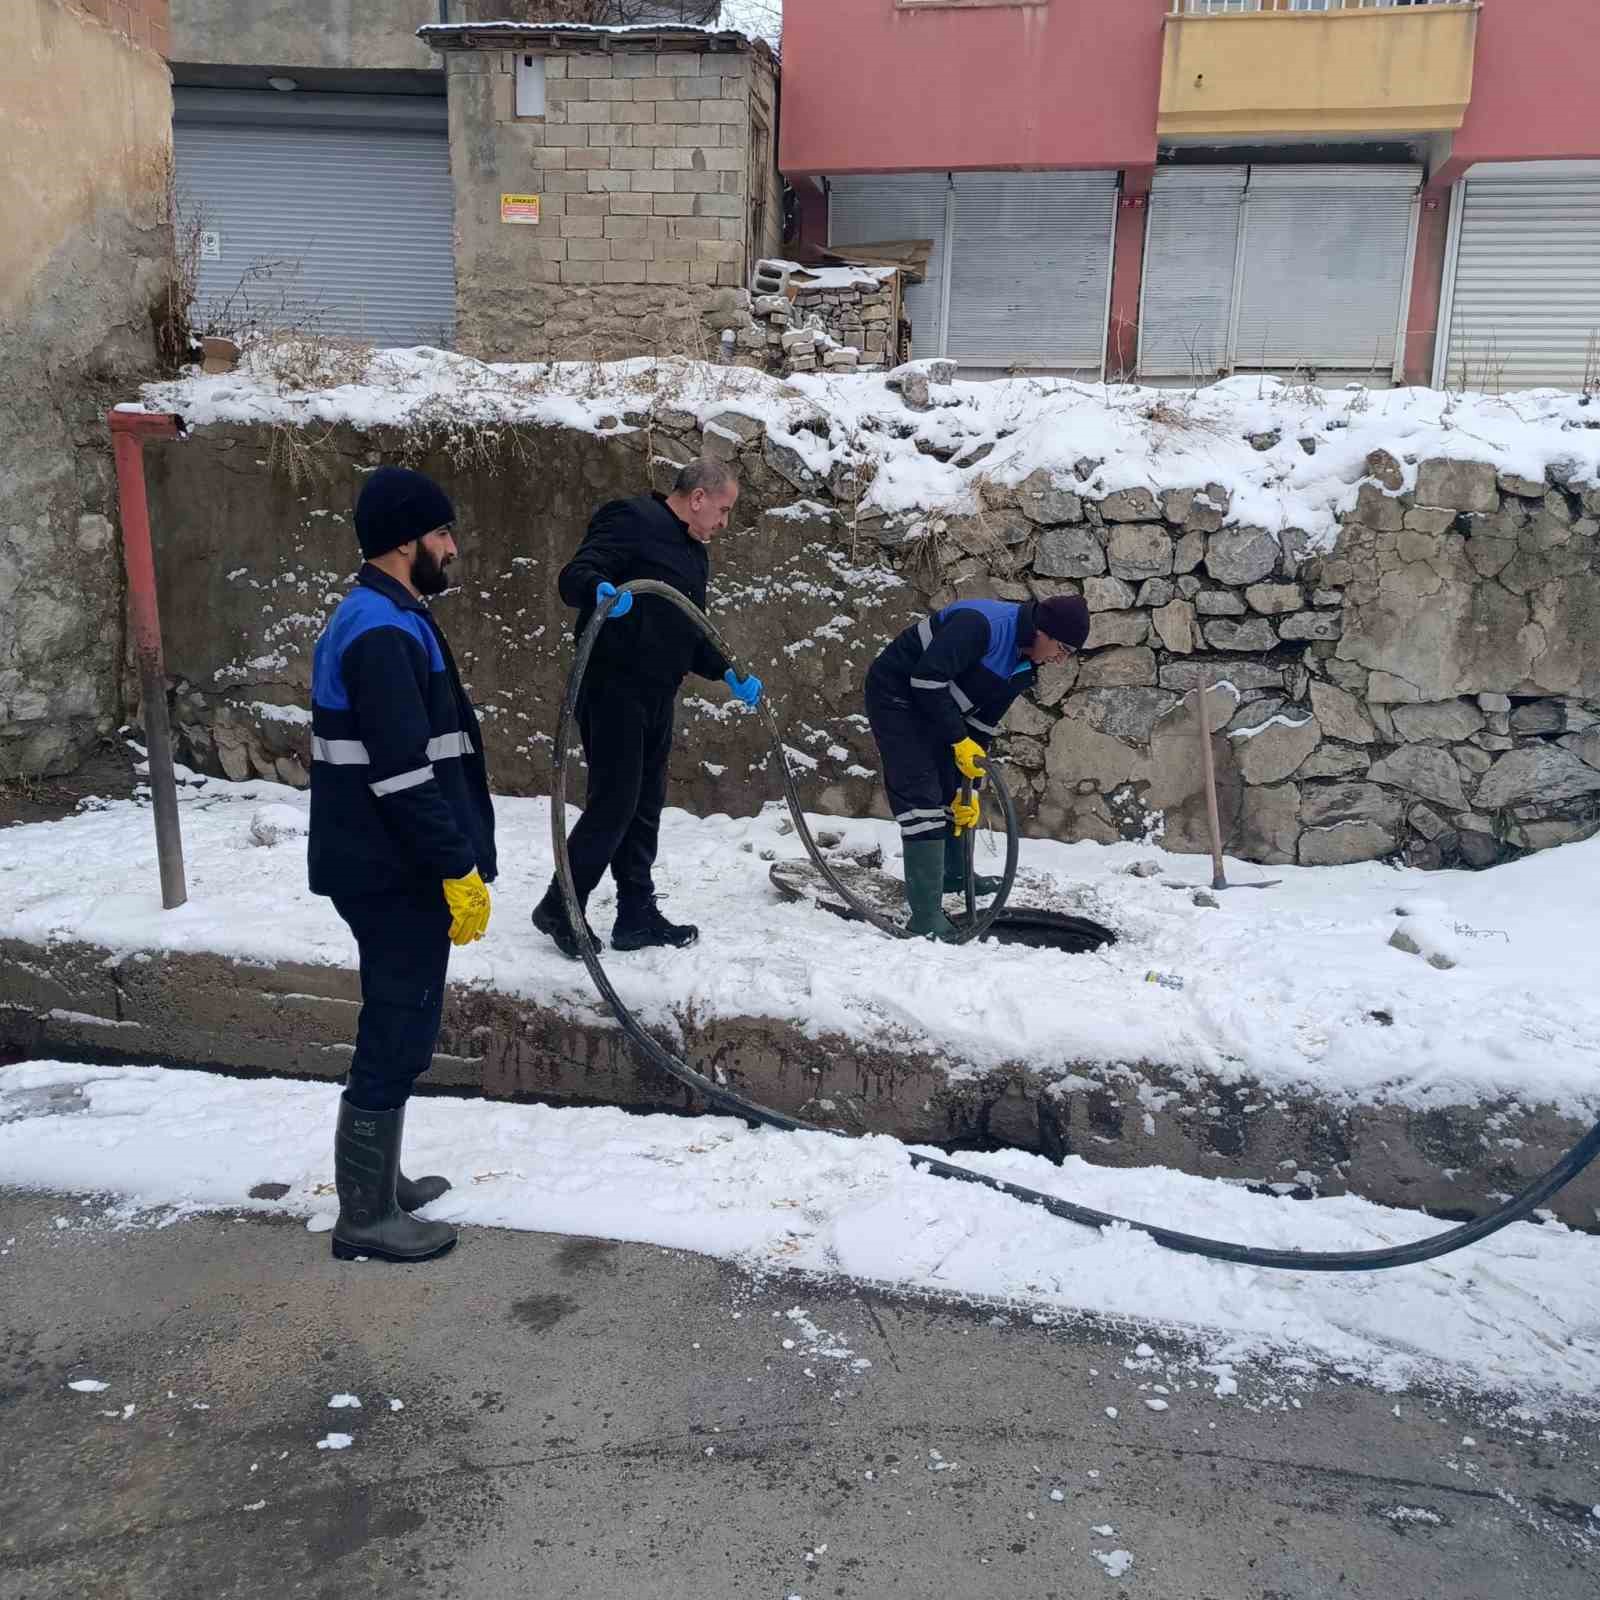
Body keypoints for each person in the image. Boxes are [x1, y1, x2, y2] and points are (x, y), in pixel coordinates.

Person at [308, 465, 497, 1265]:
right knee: (398, 1027)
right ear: (403, 542)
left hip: (387, 861)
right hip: (393, 869)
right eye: (442, 533)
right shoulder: (380, 631)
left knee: (403, 1021)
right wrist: (455, 865)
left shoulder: (388, 615)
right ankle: (365, 1215)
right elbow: (403, 774)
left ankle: (381, 1182)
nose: (452, 548)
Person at [531, 458, 763, 958]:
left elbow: (691, 632)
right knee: (614, 802)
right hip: (611, 685)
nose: (724, 522)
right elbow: (576, 574)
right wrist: (598, 590)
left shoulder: (694, 555)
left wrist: (727, 671)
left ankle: (635, 914)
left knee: (644, 806)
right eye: (723, 510)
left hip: (658, 692)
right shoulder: (632, 517)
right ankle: (560, 906)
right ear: (697, 498)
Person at [865, 594, 1090, 941]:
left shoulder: (1024, 664)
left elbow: (982, 723)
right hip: (898, 696)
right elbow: (926, 680)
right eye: (1062, 648)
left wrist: (967, 779)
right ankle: (925, 917)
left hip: (938, 707)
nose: (1061, 659)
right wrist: (957, 740)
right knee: (921, 793)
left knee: (954, 791)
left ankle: (954, 875)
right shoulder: (981, 625)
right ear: (1042, 631)